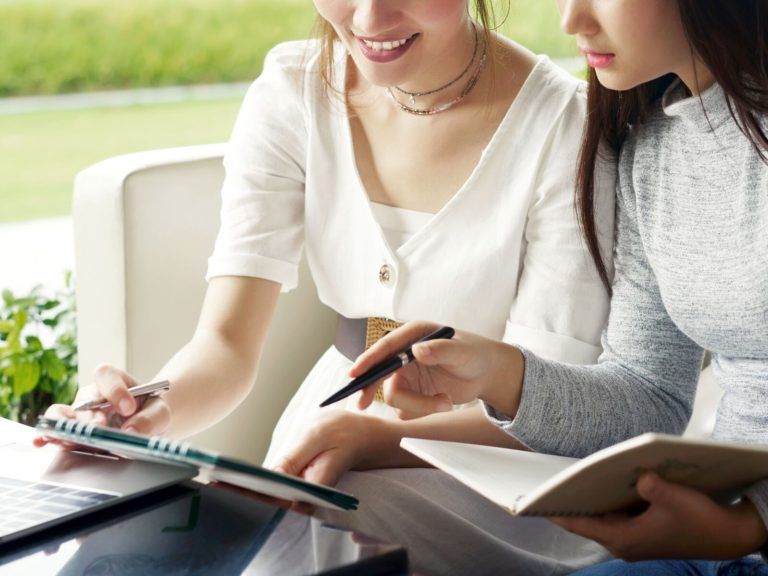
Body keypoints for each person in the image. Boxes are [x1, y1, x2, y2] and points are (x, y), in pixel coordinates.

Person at [282, 0, 768, 573]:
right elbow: (649, 398)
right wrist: (498, 374)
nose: (572, 22)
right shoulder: (655, 145)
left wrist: (747, 525)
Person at [39, 0, 612, 473]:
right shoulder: (293, 91)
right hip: (327, 437)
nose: (368, 18)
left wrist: (371, 439)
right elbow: (226, 348)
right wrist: (145, 416)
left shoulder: (568, 129)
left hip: (496, 474)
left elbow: (551, 413)